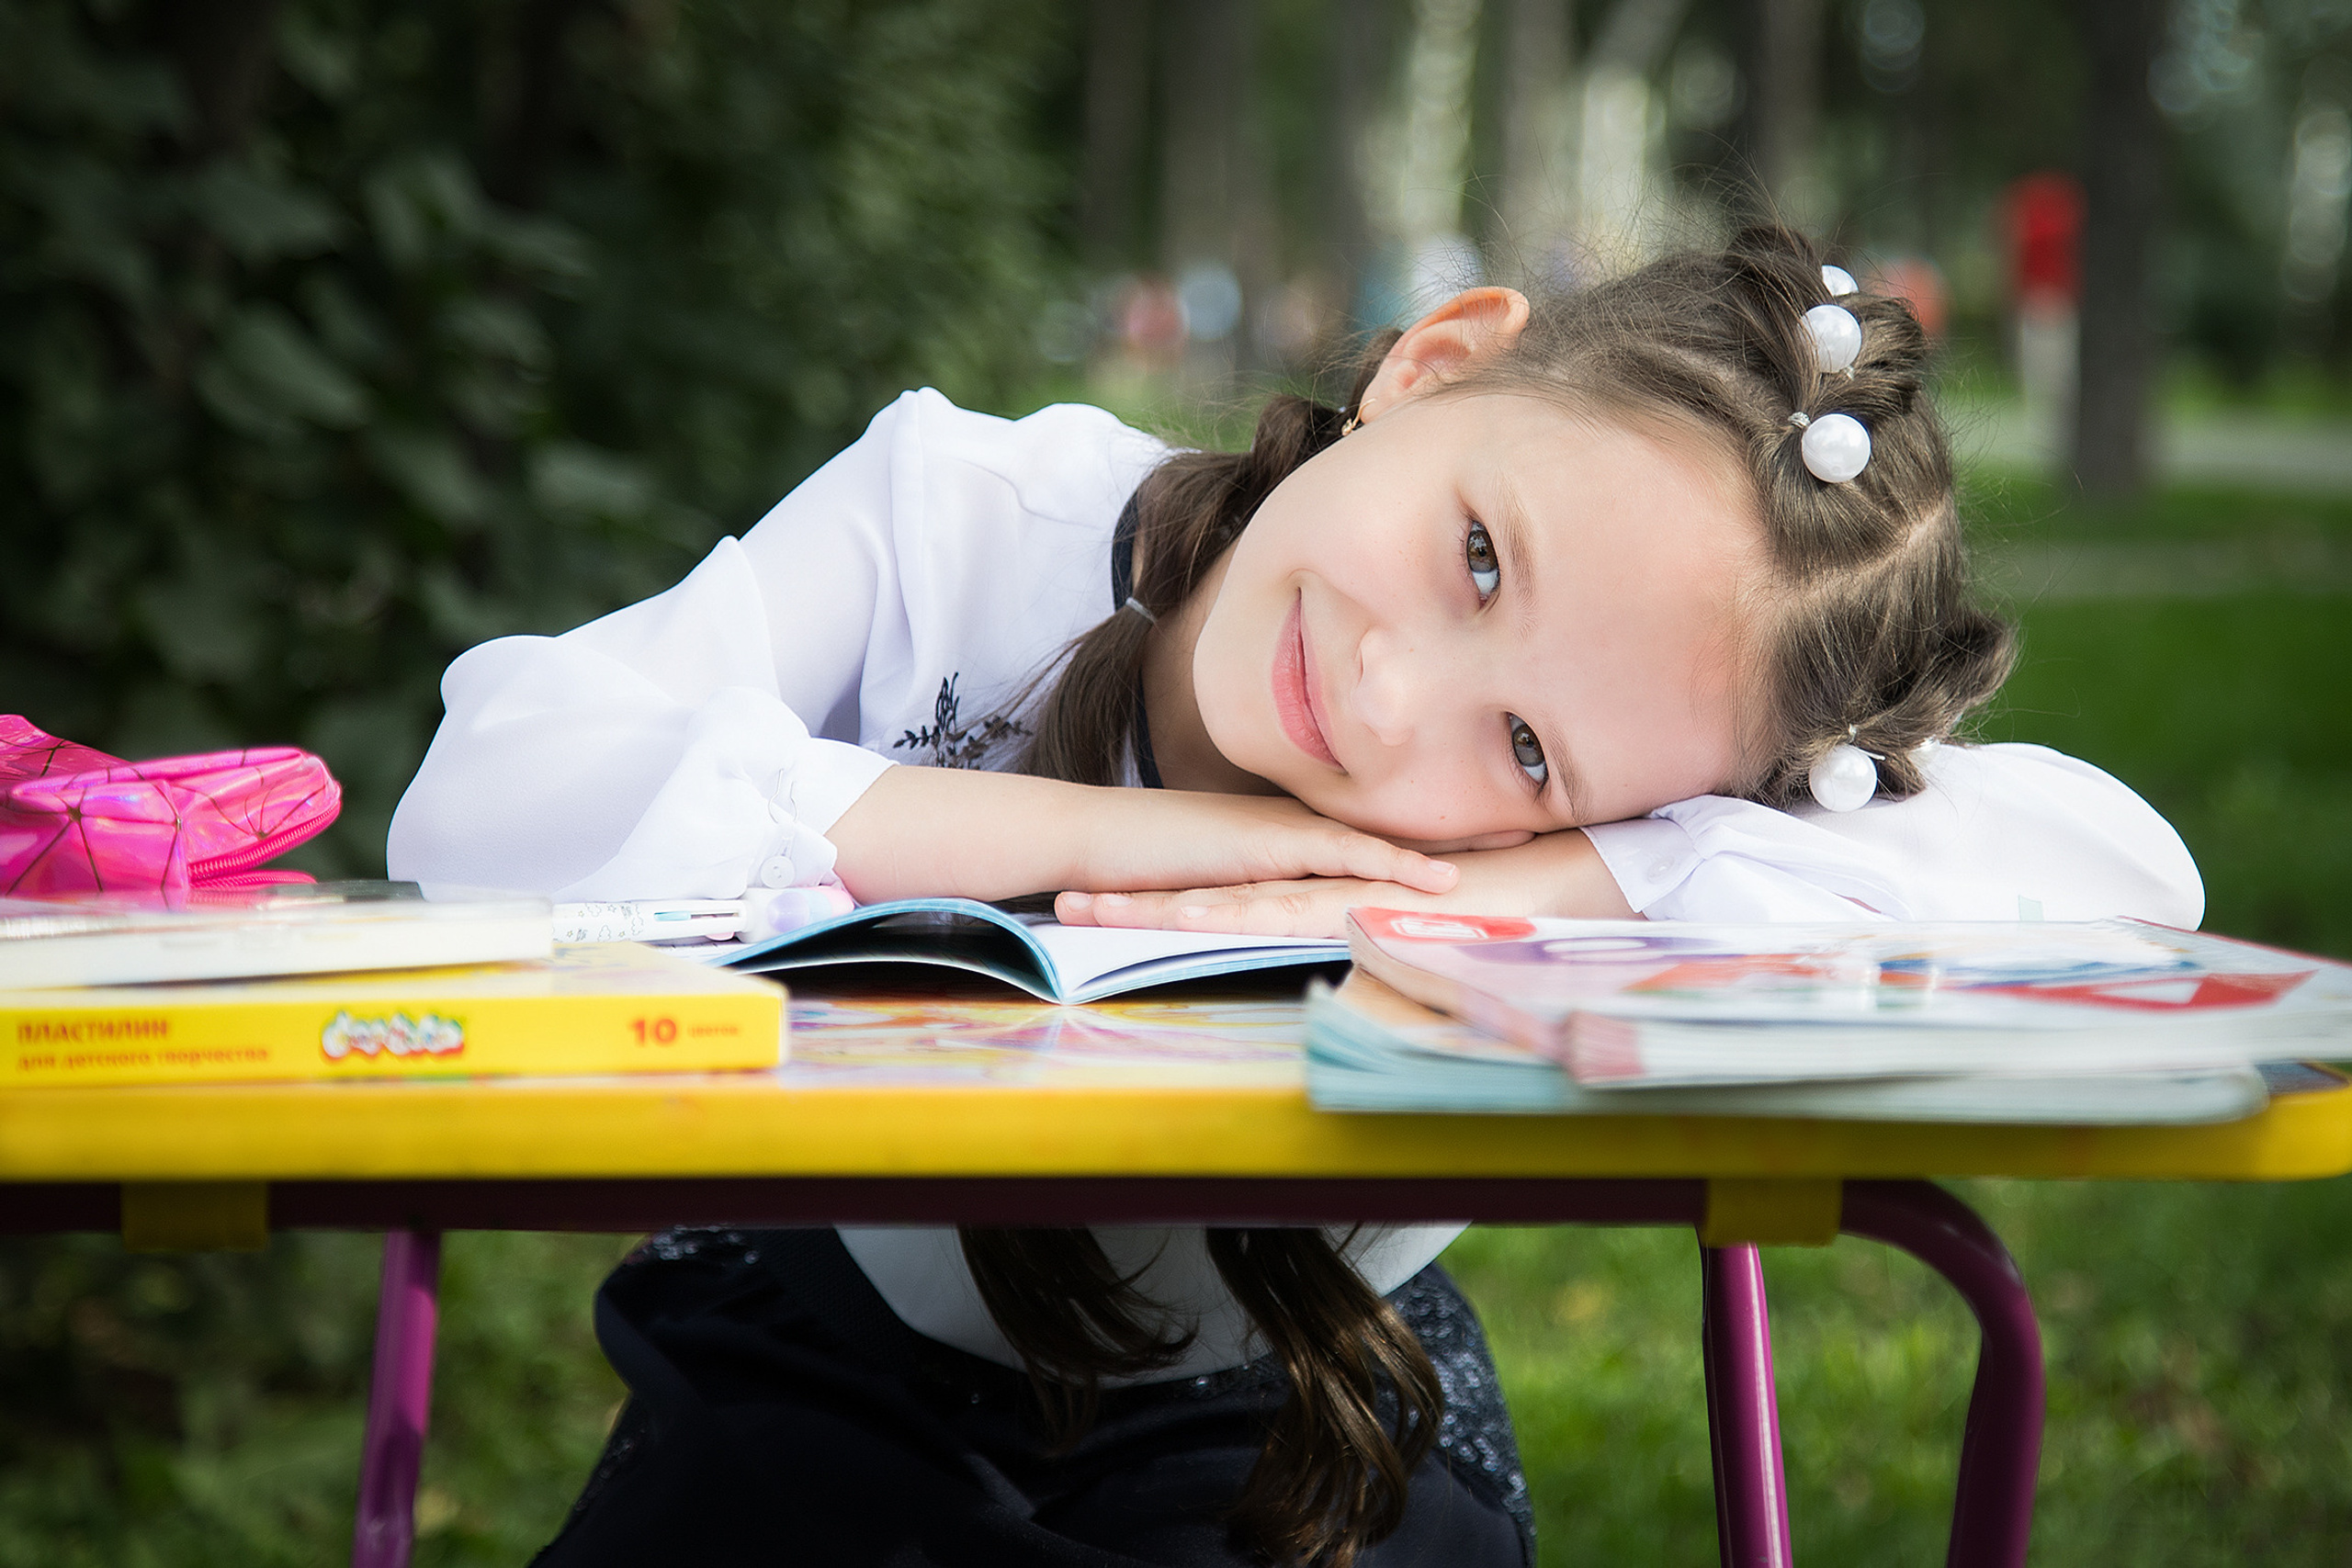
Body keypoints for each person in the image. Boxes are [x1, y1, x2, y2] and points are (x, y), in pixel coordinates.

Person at [389, 229, 2199, 1568]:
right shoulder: (967, 519)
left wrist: (1544, 868)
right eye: (1475, 554)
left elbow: (2118, 876)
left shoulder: (1593, 816)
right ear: (1428, 366)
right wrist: (1084, 844)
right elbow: (498, 777)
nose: (1396, 694)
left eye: (1524, 743)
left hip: (1302, 1406)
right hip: (828, 1361)